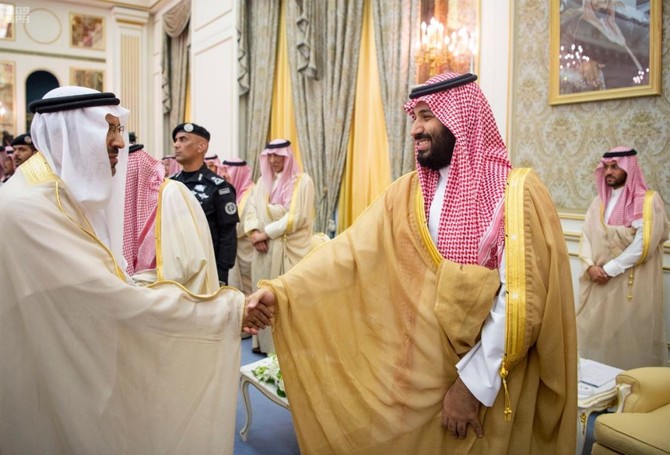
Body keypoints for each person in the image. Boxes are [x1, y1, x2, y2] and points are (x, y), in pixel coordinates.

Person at [245, 72, 577, 453]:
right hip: (416, 374)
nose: (415, 128)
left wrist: (470, 386)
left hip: (483, 383)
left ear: (460, 118)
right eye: (413, 117)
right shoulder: (407, 192)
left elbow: (518, 303)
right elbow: (348, 254)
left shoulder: (514, 193)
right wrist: (283, 292)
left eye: (427, 116)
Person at [0, 87, 245, 454]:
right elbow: (110, 300)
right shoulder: (33, 207)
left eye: (119, 129)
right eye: (108, 129)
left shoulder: (53, 194)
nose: (119, 142)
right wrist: (227, 311)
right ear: (72, 134)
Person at [577, 146, 668, 370]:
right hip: (598, 281)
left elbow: (643, 244)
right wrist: (590, 267)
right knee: (595, 334)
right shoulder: (598, 201)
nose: (609, 172)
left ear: (629, 168)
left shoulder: (647, 201)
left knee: (629, 339)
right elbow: (585, 235)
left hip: (630, 284)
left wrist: (609, 270)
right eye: (606, 167)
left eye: (615, 167)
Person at [245, 139, 316, 354]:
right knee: (263, 295)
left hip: (288, 251)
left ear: (288, 156)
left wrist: (265, 233)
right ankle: (265, 344)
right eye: (270, 156)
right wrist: (253, 233)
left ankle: (286, 349)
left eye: (279, 156)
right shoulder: (262, 182)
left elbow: (297, 217)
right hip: (263, 251)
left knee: (286, 298)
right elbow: (251, 209)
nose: (274, 160)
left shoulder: (302, 182)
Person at [124, 143, 220, 294]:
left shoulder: (171, 194)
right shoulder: (126, 205)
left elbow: (187, 263)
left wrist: (137, 284)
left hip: (172, 296)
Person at [171, 122, 239, 285]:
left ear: (201, 147)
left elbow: (228, 234)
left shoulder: (219, 187)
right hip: (174, 267)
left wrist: (221, 273)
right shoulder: (170, 184)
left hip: (207, 270)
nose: (176, 145)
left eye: (183, 139)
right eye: (176, 140)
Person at [560, 0, 650, 92]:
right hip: (613, 91)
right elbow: (561, 59)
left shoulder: (620, 18)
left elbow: (643, 32)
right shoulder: (573, 25)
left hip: (642, 85)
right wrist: (582, 64)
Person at [221, 157, 255, 296]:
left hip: (249, 251)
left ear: (237, 172)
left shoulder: (252, 193)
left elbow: (241, 226)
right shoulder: (226, 192)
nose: (224, 175)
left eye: (227, 171)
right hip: (233, 251)